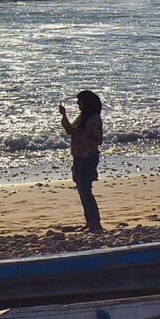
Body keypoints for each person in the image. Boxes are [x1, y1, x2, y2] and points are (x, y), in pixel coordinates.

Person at [59, 90, 104, 233]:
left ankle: (95, 223)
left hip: (88, 157)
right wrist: (64, 115)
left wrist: (87, 134)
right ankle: (89, 222)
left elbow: (98, 139)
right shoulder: (82, 117)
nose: (78, 104)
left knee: (86, 190)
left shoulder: (93, 118)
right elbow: (69, 130)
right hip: (78, 156)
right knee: (82, 190)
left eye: (80, 101)